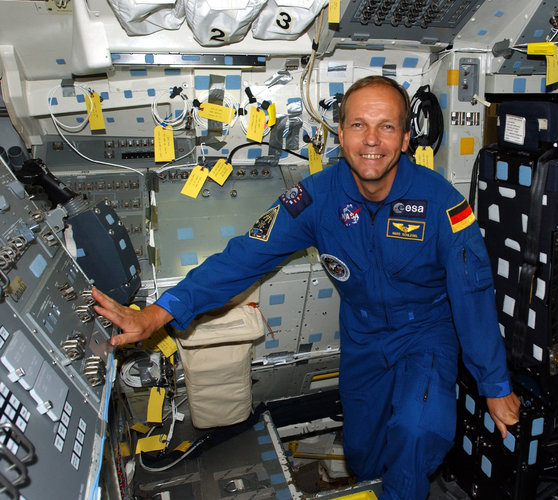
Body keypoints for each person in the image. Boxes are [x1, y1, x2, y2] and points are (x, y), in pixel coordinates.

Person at [93, 75, 521, 500]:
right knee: (361, 447)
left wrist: (495, 385)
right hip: (363, 334)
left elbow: (473, 295)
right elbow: (244, 257)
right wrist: (156, 314)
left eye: (387, 126)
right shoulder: (315, 199)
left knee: (417, 429)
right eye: (358, 125)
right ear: (340, 133)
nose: (371, 140)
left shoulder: (443, 204)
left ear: (406, 138)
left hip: (427, 332)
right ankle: (369, 486)